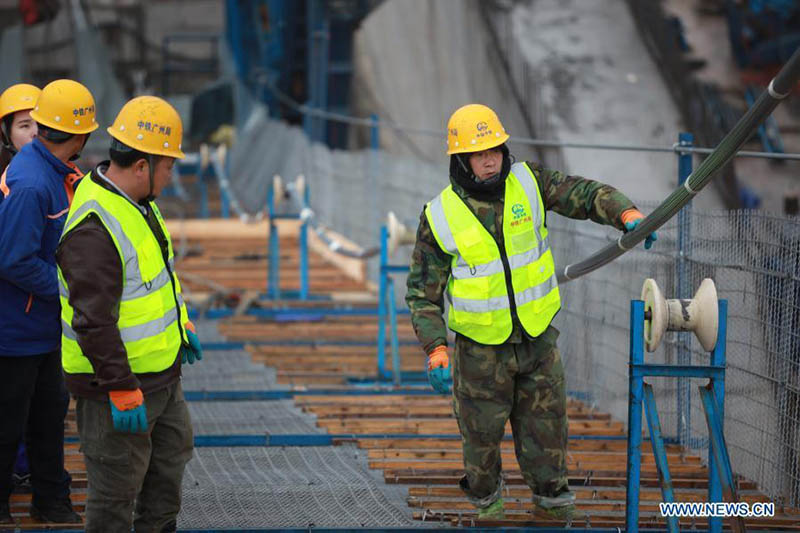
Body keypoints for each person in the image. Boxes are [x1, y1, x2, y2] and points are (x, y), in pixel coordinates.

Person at [405, 104, 657, 520]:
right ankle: (488, 511)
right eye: (479, 154)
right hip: (480, 354)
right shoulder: (440, 216)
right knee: (481, 446)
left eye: (496, 150)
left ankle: (553, 512)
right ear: (461, 160)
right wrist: (435, 348)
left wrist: (625, 214)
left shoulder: (530, 182)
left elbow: (584, 194)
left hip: (538, 342)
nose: (491, 160)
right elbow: (422, 292)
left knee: (548, 439)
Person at [56, 95, 202, 533]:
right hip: (116, 392)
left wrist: (182, 322)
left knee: (165, 484)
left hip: (161, 378)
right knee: (115, 498)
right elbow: (92, 321)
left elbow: (156, 277)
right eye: (168, 165)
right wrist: (119, 387)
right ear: (142, 165)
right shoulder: (95, 227)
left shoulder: (140, 202)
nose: (172, 174)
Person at [0, 79, 98, 525]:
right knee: (8, 425)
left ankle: (50, 500)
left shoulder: (56, 173)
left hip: (46, 328)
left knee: (47, 418)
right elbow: (14, 260)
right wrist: (67, 287)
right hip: (17, 333)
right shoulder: (31, 184)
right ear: (80, 135)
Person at [0, 83, 41, 494]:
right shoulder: (14, 185)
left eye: (38, 125)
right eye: (23, 125)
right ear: (5, 133)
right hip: (13, 318)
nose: (31, 134)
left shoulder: (61, 178)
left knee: (40, 408)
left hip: (39, 320)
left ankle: (29, 471)